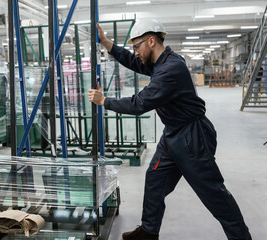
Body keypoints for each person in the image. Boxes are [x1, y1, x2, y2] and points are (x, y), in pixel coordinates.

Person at [88, 19, 252, 240]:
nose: (135, 52)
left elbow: (139, 103)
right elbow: (133, 62)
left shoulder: (171, 68)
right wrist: (107, 43)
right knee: (155, 178)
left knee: (214, 194)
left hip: (191, 137)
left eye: (137, 46)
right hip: (173, 134)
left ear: (151, 41)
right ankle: (148, 231)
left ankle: (241, 236)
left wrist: (104, 101)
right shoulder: (161, 62)